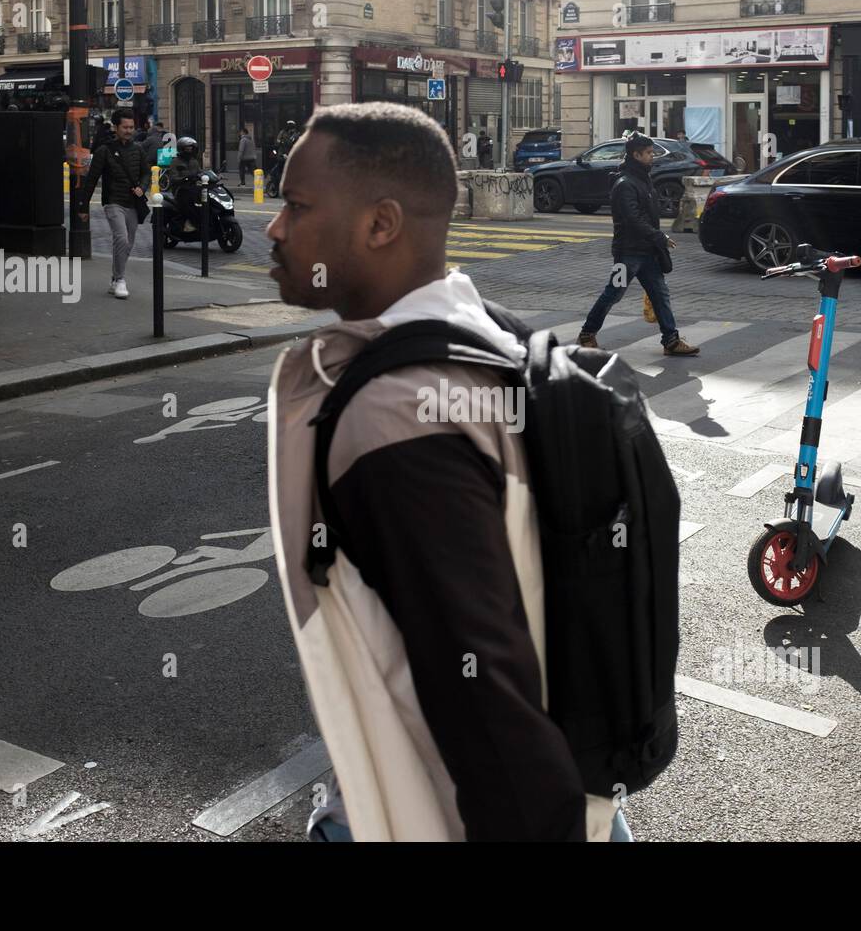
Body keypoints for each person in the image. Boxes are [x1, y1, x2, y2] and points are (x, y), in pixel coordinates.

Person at [263, 102, 632, 842]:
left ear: (380, 224)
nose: (274, 229)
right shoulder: (497, 336)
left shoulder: (397, 415)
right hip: (588, 800)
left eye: (296, 206)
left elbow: (484, 693)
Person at [577, 134, 698, 357]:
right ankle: (587, 334)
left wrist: (655, 241)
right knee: (613, 293)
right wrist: (659, 237)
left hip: (648, 254)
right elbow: (634, 220)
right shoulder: (625, 184)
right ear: (636, 155)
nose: (653, 156)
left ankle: (671, 340)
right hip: (628, 254)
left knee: (660, 295)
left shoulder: (642, 178)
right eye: (649, 153)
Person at [79, 107, 150, 299]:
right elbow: (92, 179)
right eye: (125, 127)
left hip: (132, 204)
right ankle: (120, 279)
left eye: (131, 127)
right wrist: (83, 206)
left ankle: (114, 278)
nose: (129, 130)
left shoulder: (138, 149)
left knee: (128, 244)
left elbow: (146, 173)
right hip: (113, 202)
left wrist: (142, 188)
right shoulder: (105, 151)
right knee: (121, 238)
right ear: (116, 128)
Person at [169, 136, 204, 232]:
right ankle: (191, 222)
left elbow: (200, 172)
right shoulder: (175, 161)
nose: (189, 150)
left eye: (191, 148)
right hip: (180, 189)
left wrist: (210, 176)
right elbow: (173, 177)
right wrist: (184, 179)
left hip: (193, 188)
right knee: (188, 202)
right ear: (181, 149)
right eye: (187, 148)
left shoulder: (194, 161)